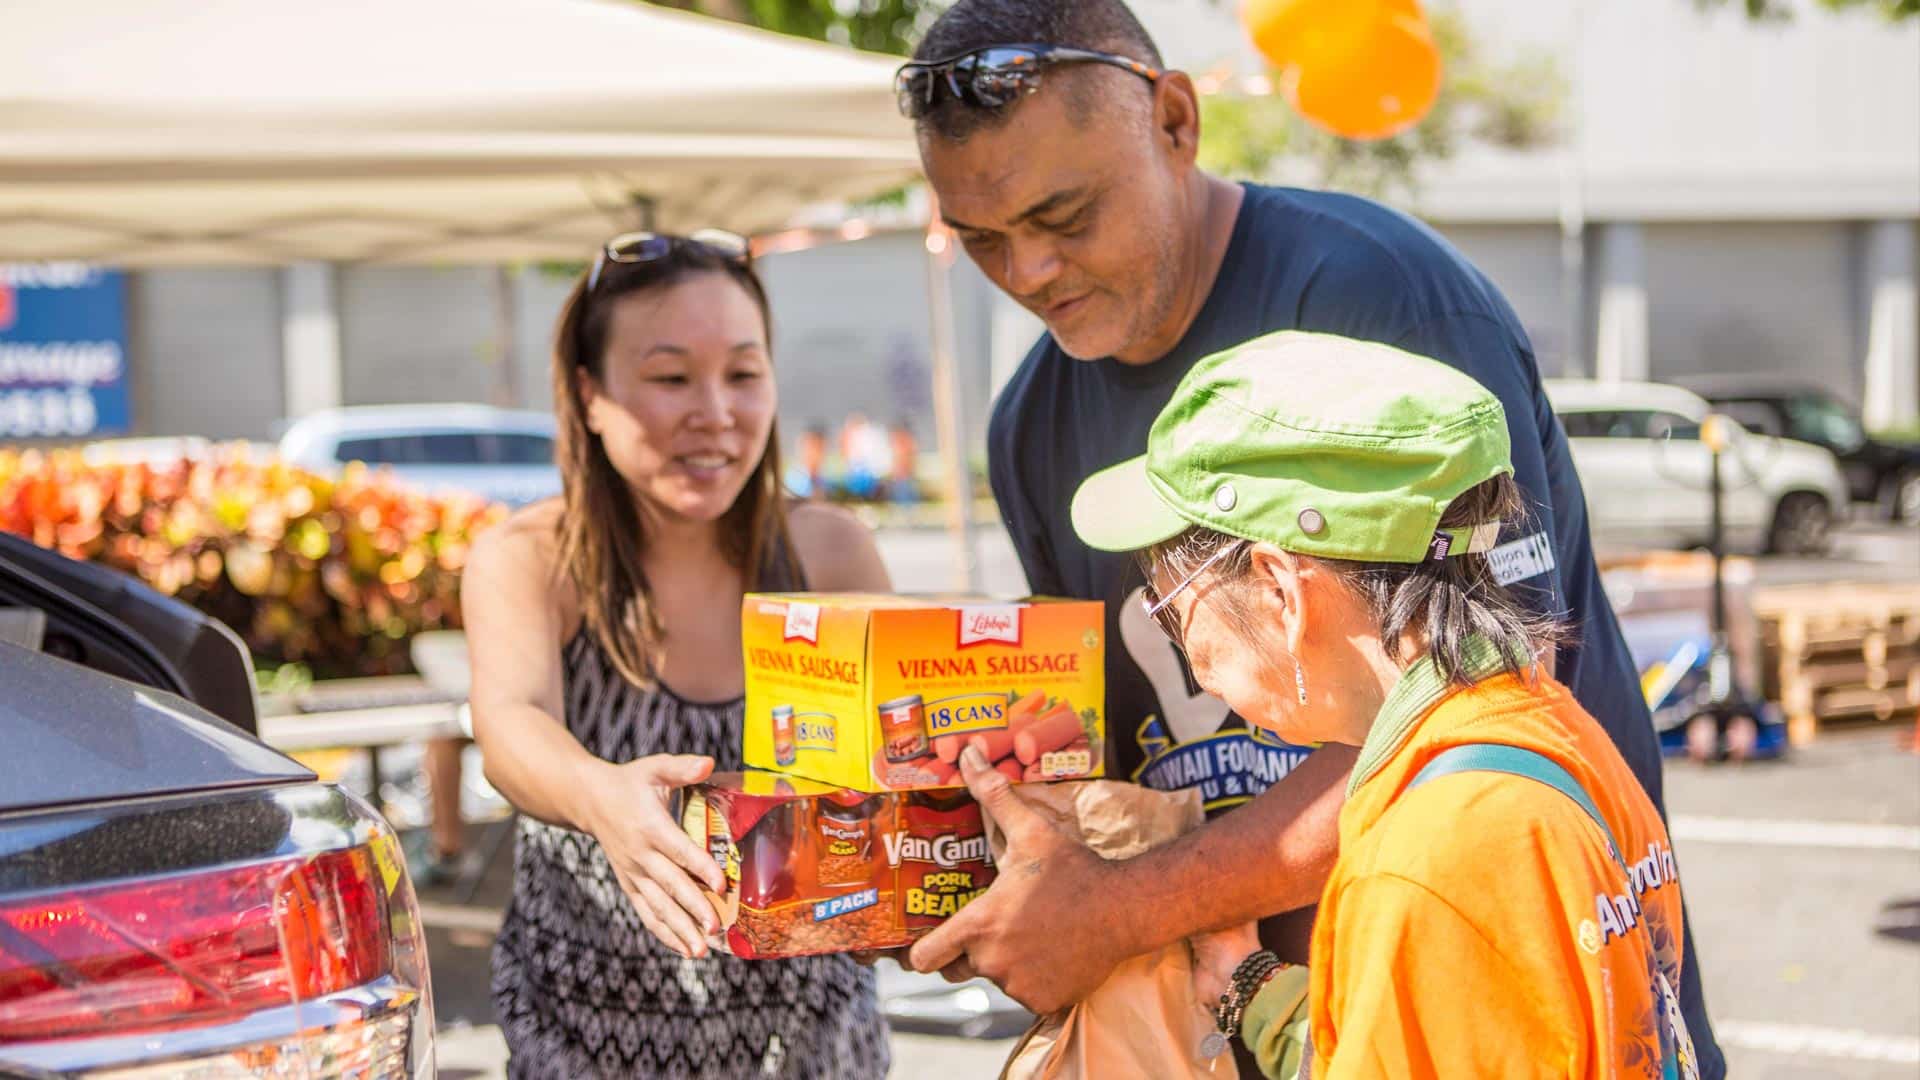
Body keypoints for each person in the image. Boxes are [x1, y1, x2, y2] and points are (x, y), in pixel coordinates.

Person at [894, 2, 1723, 1076]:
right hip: (1262, 1017)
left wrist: (1116, 912)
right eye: (984, 241)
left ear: (1176, 120)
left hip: (1479, 995)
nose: (1032, 272)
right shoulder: (1028, 423)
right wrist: (1035, 785)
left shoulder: (1383, 300)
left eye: (1067, 214)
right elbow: (1120, 731)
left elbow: (1481, 695)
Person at [1064, 330, 1694, 1077]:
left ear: (1279, 590)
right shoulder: (1552, 734)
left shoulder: (1419, 866)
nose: (1185, 653)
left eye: (1169, 608)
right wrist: (1251, 985)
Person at [463, 231, 893, 1078]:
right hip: (583, 1044)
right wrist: (599, 797)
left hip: (812, 1047)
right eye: (670, 378)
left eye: (742, 374)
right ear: (589, 395)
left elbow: (899, 773)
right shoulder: (531, 558)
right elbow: (510, 723)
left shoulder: (830, 555)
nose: (716, 412)